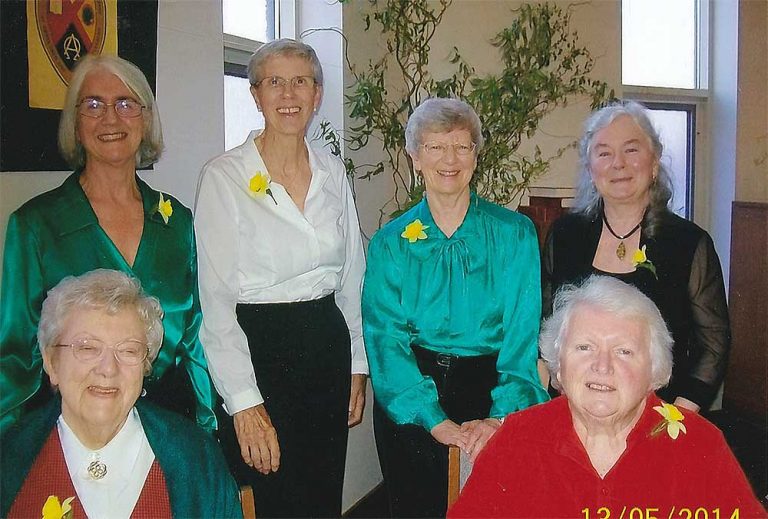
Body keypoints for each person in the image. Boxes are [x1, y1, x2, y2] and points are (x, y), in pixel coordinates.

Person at [194, 38, 368, 518]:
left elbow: (352, 276)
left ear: (317, 95)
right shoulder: (224, 177)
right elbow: (216, 303)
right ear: (255, 95)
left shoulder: (333, 172)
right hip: (258, 354)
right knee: (269, 496)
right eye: (275, 82)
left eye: (301, 82)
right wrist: (244, 402)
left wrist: (357, 364)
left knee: (321, 491)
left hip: (326, 351)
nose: (288, 94)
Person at [0, 54, 216, 434]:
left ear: (146, 119)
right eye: (94, 105)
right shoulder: (36, 225)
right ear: (75, 122)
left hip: (167, 425)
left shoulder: (176, 222)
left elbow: (194, 338)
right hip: (73, 427)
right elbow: (17, 357)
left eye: (126, 103)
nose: (111, 118)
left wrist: (206, 427)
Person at [363, 97, 549, 518]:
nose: (450, 159)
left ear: (476, 156)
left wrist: (499, 418)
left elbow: (522, 336)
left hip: (492, 391)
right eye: (434, 147)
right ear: (414, 158)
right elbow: (384, 338)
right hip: (408, 397)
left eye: (462, 146)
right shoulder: (390, 242)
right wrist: (433, 419)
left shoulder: (515, 234)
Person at [449, 275, 766, 518]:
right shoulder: (517, 440)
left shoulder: (699, 446)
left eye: (624, 352)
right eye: (584, 347)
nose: (602, 367)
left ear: (654, 370)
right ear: (559, 361)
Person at [0, 270, 242, 518]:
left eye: (128, 351)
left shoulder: (196, 459)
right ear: (52, 361)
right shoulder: (9, 458)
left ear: (146, 364)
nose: (108, 369)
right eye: (87, 348)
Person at [542, 100, 730, 412]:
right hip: (577, 408)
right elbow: (547, 327)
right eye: (604, 152)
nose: (618, 164)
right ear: (590, 168)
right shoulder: (565, 236)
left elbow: (713, 342)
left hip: (661, 414)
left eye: (631, 150)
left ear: (654, 162)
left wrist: (677, 415)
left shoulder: (688, 243)